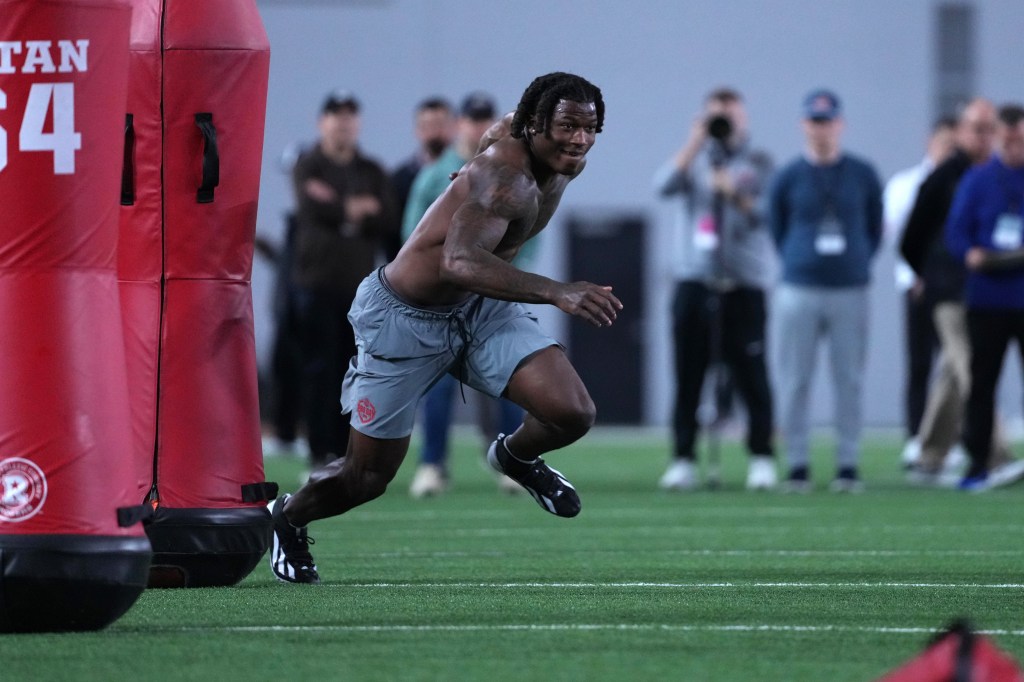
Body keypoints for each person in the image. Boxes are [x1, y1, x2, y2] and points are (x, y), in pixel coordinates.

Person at [268, 72, 617, 584]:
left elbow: (497, 131)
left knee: (572, 412)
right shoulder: (506, 175)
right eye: (567, 126)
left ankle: (514, 457)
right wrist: (555, 290)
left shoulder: (553, 154)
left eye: (590, 129)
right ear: (538, 124)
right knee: (365, 478)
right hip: (405, 317)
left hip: (476, 309)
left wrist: (474, 165)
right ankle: (288, 516)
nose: (579, 140)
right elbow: (457, 260)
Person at [653, 87, 778, 492]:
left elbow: (770, 217)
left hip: (743, 283)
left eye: (729, 115)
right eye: (715, 116)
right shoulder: (695, 160)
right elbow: (663, 186)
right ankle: (683, 458)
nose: (723, 123)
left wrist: (734, 195)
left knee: (751, 375)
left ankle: (761, 457)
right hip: (695, 279)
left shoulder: (759, 163)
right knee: (688, 374)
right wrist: (694, 141)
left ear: (744, 119)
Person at [402, 92, 526, 498]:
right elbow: (412, 240)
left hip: (492, 295)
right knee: (438, 385)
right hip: (444, 299)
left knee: (509, 380)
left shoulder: (514, 172)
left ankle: (512, 463)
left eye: (485, 119)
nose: (478, 127)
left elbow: (527, 237)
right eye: (471, 120)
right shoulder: (436, 175)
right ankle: (433, 465)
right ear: (461, 124)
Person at [768, 88, 883, 493]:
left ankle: (847, 466)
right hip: (798, 288)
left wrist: (857, 263)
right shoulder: (787, 176)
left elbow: (875, 226)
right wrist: (799, 260)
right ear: (804, 124)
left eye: (828, 121)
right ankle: (798, 465)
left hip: (849, 288)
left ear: (840, 123)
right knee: (795, 379)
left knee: (849, 378)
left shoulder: (862, 173)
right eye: (814, 121)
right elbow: (777, 228)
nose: (821, 128)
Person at [899, 98, 1017, 485]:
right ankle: (996, 457)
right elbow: (912, 236)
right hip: (952, 292)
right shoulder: (946, 175)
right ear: (961, 131)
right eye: (976, 128)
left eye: (990, 129)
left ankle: (929, 453)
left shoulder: (1002, 175)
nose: (984, 137)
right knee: (971, 371)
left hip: (991, 293)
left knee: (954, 373)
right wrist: (928, 275)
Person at [289, 89, 398, 470]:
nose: (344, 122)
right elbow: (312, 208)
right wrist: (353, 210)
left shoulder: (371, 169)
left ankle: (348, 451)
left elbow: (386, 218)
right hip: (316, 285)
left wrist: (339, 208)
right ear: (323, 122)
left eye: (350, 115)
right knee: (319, 369)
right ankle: (319, 450)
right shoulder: (309, 164)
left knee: (357, 371)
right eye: (336, 115)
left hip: (360, 291)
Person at [945, 102, 1024, 491]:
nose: (1013, 147)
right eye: (1007, 139)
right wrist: (970, 254)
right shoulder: (978, 179)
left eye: (1019, 139)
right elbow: (956, 232)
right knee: (981, 384)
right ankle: (978, 462)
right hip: (988, 298)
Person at [882, 117, 957, 468]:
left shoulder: (962, 181)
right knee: (919, 364)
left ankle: (951, 437)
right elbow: (897, 234)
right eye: (943, 142)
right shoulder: (906, 184)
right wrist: (912, 276)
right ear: (930, 142)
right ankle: (916, 437)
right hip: (916, 286)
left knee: (955, 366)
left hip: (953, 288)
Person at [387, 97, 454, 261]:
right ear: (417, 130)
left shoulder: (468, 170)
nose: (435, 132)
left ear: (454, 127)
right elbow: (392, 231)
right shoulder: (400, 178)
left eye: (440, 124)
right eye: (428, 126)